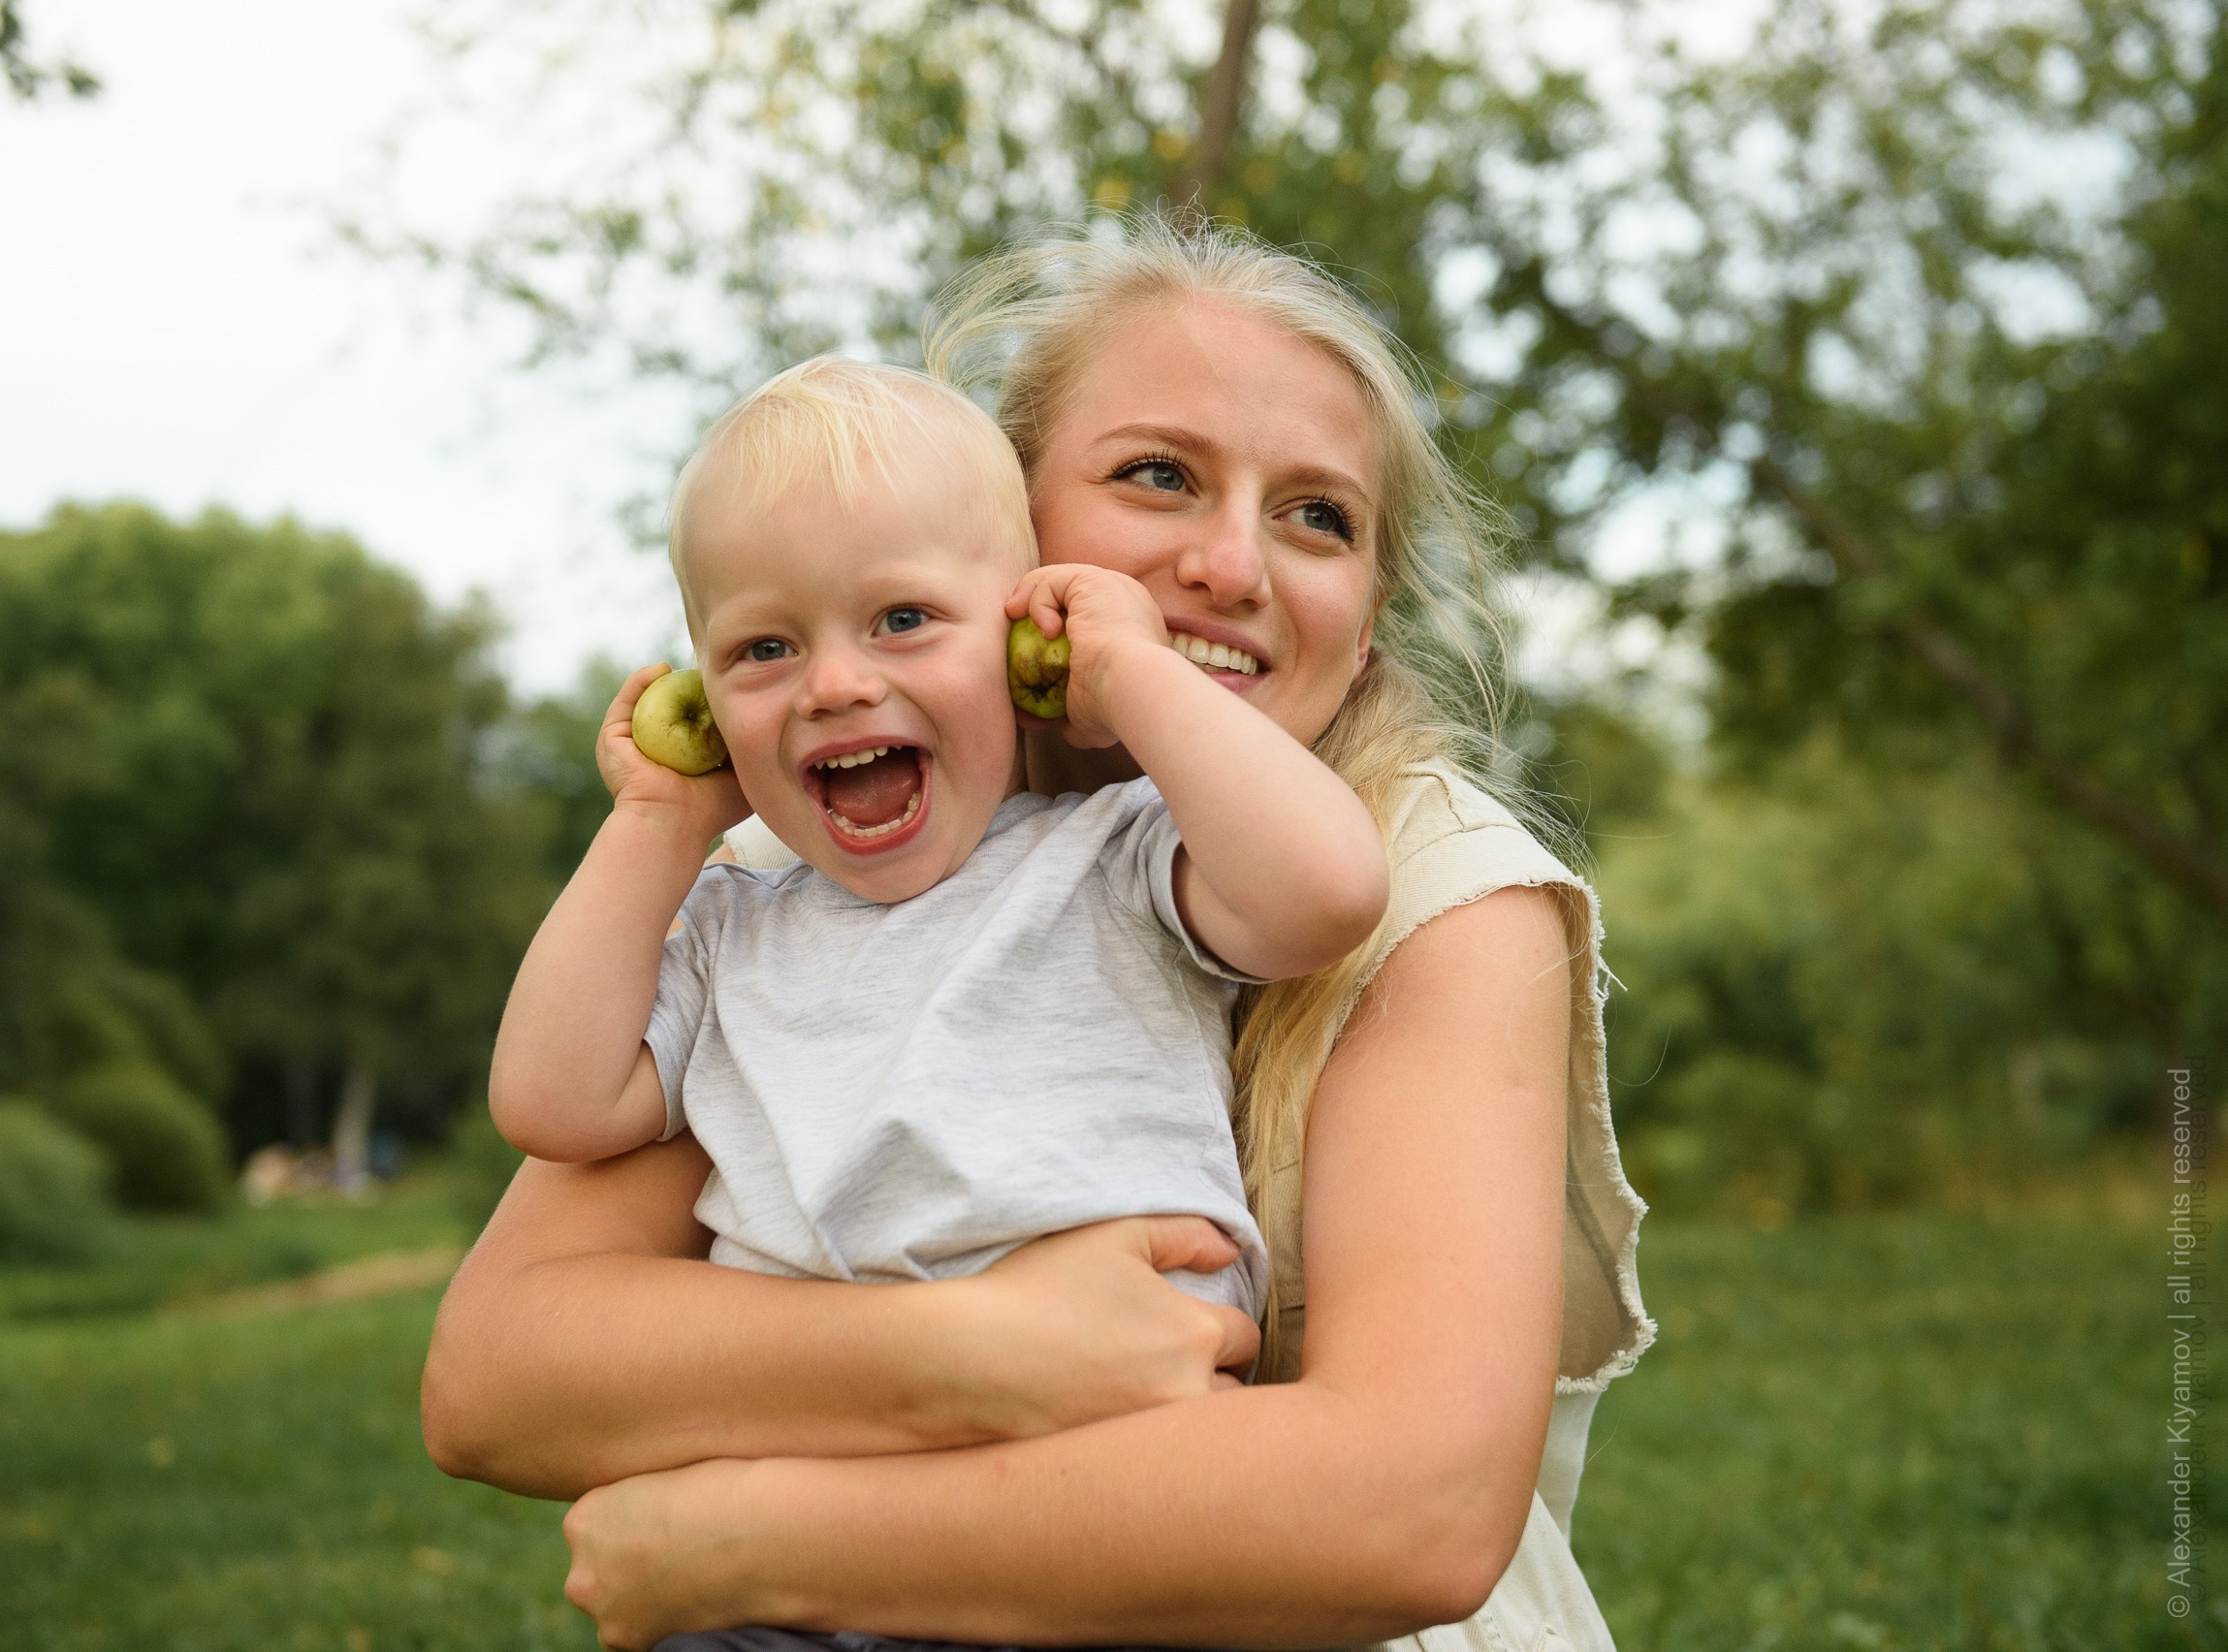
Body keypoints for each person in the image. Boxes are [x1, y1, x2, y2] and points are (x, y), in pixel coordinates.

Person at [422, 212, 1654, 1651]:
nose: (1232, 566)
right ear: (1009, 535)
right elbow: (496, 1373)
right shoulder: (814, 873)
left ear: (1369, 622)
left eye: (1319, 516)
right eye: (1156, 476)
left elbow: (1415, 1509)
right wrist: (974, 1353)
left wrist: (744, 1540)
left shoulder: (1434, 875)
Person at [487, 357, 1392, 1352]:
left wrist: (1129, 669)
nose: (832, 683)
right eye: (763, 650)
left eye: (903, 621)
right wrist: (657, 824)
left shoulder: (1114, 854)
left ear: (1017, 650)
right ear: (706, 707)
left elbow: (1329, 892)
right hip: (839, 1414)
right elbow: (552, 1104)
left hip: (1119, 1401)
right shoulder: (729, 926)